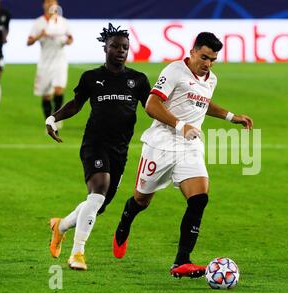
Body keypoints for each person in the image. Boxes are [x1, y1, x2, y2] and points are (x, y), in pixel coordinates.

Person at [112, 32, 254, 278]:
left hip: (190, 146)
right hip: (161, 144)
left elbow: (203, 101)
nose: (207, 63)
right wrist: (181, 126)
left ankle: (181, 262)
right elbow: (151, 105)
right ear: (193, 52)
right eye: (204, 57)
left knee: (199, 199)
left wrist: (232, 116)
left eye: (212, 59)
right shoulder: (175, 71)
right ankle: (125, 221)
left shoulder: (211, 79)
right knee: (141, 200)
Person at [46, 23, 151, 271]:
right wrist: (53, 118)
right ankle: (77, 253)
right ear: (105, 47)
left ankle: (60, 226)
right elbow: (75, 104)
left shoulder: (138, 80)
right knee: (99, 190)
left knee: (97, 204)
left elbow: (153, 108)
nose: (121, 51)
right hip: (95, 144)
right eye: (115, 46)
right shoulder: (92, 78)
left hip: (120, 150)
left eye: (125, 47)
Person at [27, 0, 73, 129]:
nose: (50, 4)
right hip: (45, 61)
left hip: (60, 60)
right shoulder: (38, 23)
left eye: (52, 2)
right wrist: (40, 35)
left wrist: (66, 41)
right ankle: (48, 122)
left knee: (59, 89)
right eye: (47, 2)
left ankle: (57, 118)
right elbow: (29, 42)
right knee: (46, 95)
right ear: (44, 5)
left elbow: (71, 39)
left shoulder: (63, 22)